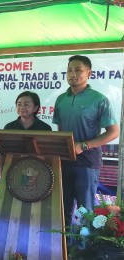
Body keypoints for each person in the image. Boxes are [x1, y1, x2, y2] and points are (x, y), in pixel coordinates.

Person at [52, 55, 118, 228]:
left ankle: (83, 251)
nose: (73, 74)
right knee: (61, 209)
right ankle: (63, 250)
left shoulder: (99, 99)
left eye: (78, 70)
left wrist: (84, 145)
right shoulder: (61, 99)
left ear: (89, 73)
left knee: (85, 213)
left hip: (87, 164)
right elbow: (60, 131)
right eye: (69, 70)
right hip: (64, 163)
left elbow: (113, 132)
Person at [0, 91, 52, 172]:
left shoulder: (45, 128)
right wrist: (1, 173)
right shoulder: (9, 127)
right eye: (19, 104)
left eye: (26, 104)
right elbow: (2, 152)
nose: (22, 107)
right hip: (13, 170)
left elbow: (49, 155)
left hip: (38, 170)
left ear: (35, 108)